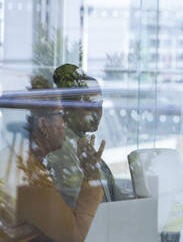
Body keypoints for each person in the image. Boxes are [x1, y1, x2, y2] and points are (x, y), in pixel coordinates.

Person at [4, 75, 105, 242]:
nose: (66, 123)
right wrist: (91, 175)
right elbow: (77, 238)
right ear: (43, 125)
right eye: (62, 116)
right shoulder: (30, 176)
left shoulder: (17, 157)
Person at [51, 63, 131, 204]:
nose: (97, 112)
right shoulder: (61, 151)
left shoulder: (83, 146)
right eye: (89, 105)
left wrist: (137, 200)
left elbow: (112, 193)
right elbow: (80, 205)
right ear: (68, 108)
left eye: (99, 105)